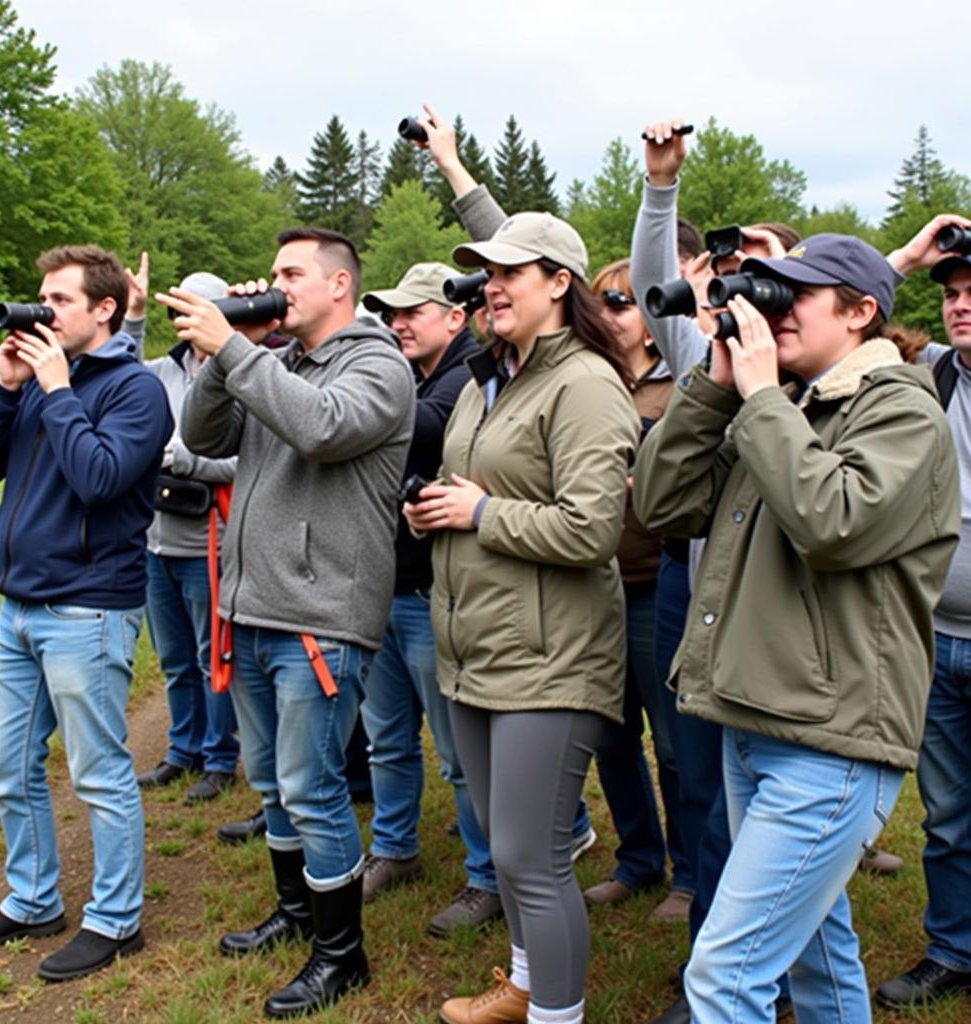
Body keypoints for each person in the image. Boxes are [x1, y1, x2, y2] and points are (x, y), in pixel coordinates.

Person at [634, 231, 960, 1024]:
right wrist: (716, 386)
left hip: (831, 738)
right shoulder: (785, 403)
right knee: (817, 959)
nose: (770, 310)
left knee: (724, 976)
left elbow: (835, 522)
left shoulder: (902, 410)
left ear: (861, 313)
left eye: (794, 295)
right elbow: (662, 507)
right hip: (760, 717)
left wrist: (760, 399)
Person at [404, 106, 639, 1024]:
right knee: (507, 856)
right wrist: (442, 509)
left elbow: (589, 531)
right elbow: (476, 487)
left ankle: (556, 1014)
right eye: (484, 273)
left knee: (533, 857)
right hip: (477, 650)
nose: (490, 287)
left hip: (551, 660)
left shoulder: (582, 383)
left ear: (558, 282)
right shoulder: (490, 376)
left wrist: (481, 511)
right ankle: (525, 983)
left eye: (508, 273)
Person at [161, 226, 414, 1018]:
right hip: (254, 604)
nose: (276, 283)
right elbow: (203, 437)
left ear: (339, 285)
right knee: (271, 782)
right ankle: (298, 913)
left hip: (321, 613)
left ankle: (343, 955)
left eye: (290, 273)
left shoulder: (377, 363)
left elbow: (323, 428)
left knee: (312, 787)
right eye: (272, 272)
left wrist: (241, 356)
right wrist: (227, 347)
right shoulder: (278, 362)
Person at [0, 245, 172, 981]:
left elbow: (101, 479)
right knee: (7, 766)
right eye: (39, 298)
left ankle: (115, 921)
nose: (43, 312)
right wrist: (7, 387)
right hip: (17, 606)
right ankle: (33, 898)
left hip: (87, 609)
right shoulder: (38, 384)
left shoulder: (135, 390)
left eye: (59, 302)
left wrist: (57, 388)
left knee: (100, 773)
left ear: (105, 309)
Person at [358, 262, 505, 935]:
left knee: (459, 750)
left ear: (455, 315)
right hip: (384, 583)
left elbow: (425, 432)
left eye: (412, 311)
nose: (397, 324)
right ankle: (395, 848)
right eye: (391, 314)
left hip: (433, 589)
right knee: (387, 738)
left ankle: (488, 875)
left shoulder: (471, 374)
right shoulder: (417, 374)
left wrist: (361, 378)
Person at [874, 212, 971, 1011]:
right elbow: (847, 305)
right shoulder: (932, 373)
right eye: (954, 293)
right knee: (947, 812)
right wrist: (906, 256)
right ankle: (954, 949)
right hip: (936, 634)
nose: (961, 305)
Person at [580, 259, 692, 919]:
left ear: (654, 323)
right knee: (609, 735)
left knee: (675, 744)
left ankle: (691, 875)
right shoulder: (590, 382)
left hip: (658, 586)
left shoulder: (684, 384)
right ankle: (638, 861)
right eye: (600, 305)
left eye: (619, 304)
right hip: (594, 588)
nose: (606, 316)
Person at [120, 257, 241, 804]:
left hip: (209, 542)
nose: (184, 319)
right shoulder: (160, 372)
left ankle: (220, 757)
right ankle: (182, 750)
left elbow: (250, 463)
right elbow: (116, 377)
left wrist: (186, 460)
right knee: (173, 658)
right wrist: (134, 317)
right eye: (177, 309)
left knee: (210, 656)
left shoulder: (242, 371)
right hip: (156, 539)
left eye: (195, 308)